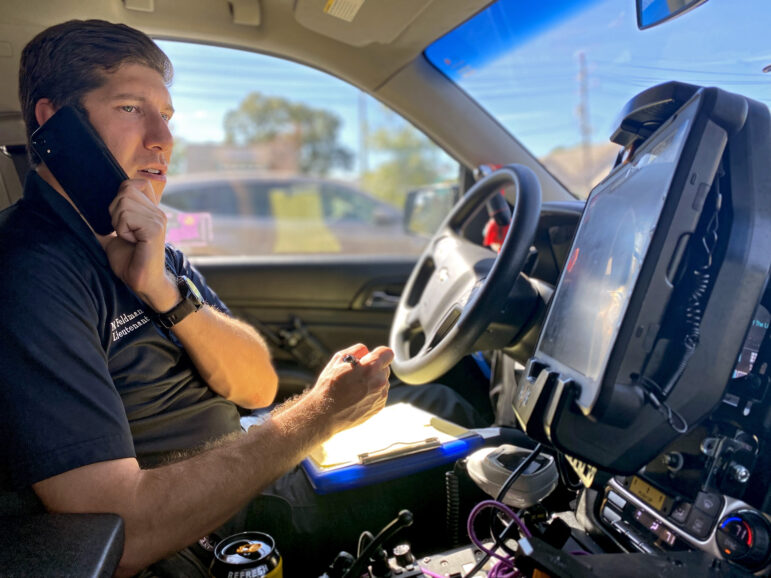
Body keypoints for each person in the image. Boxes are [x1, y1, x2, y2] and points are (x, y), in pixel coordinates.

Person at [0, 19, 485, 576]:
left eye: (167, 115)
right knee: (481, 464)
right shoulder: (30, 274)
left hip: (247, 464)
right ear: (53, 124)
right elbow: (117, 531)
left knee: (447, 412)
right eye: (132, 108)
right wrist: (316, 417)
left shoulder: (143, 239)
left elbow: (257, 385)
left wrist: (163, 292)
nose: (163, 137)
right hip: (209, 530)